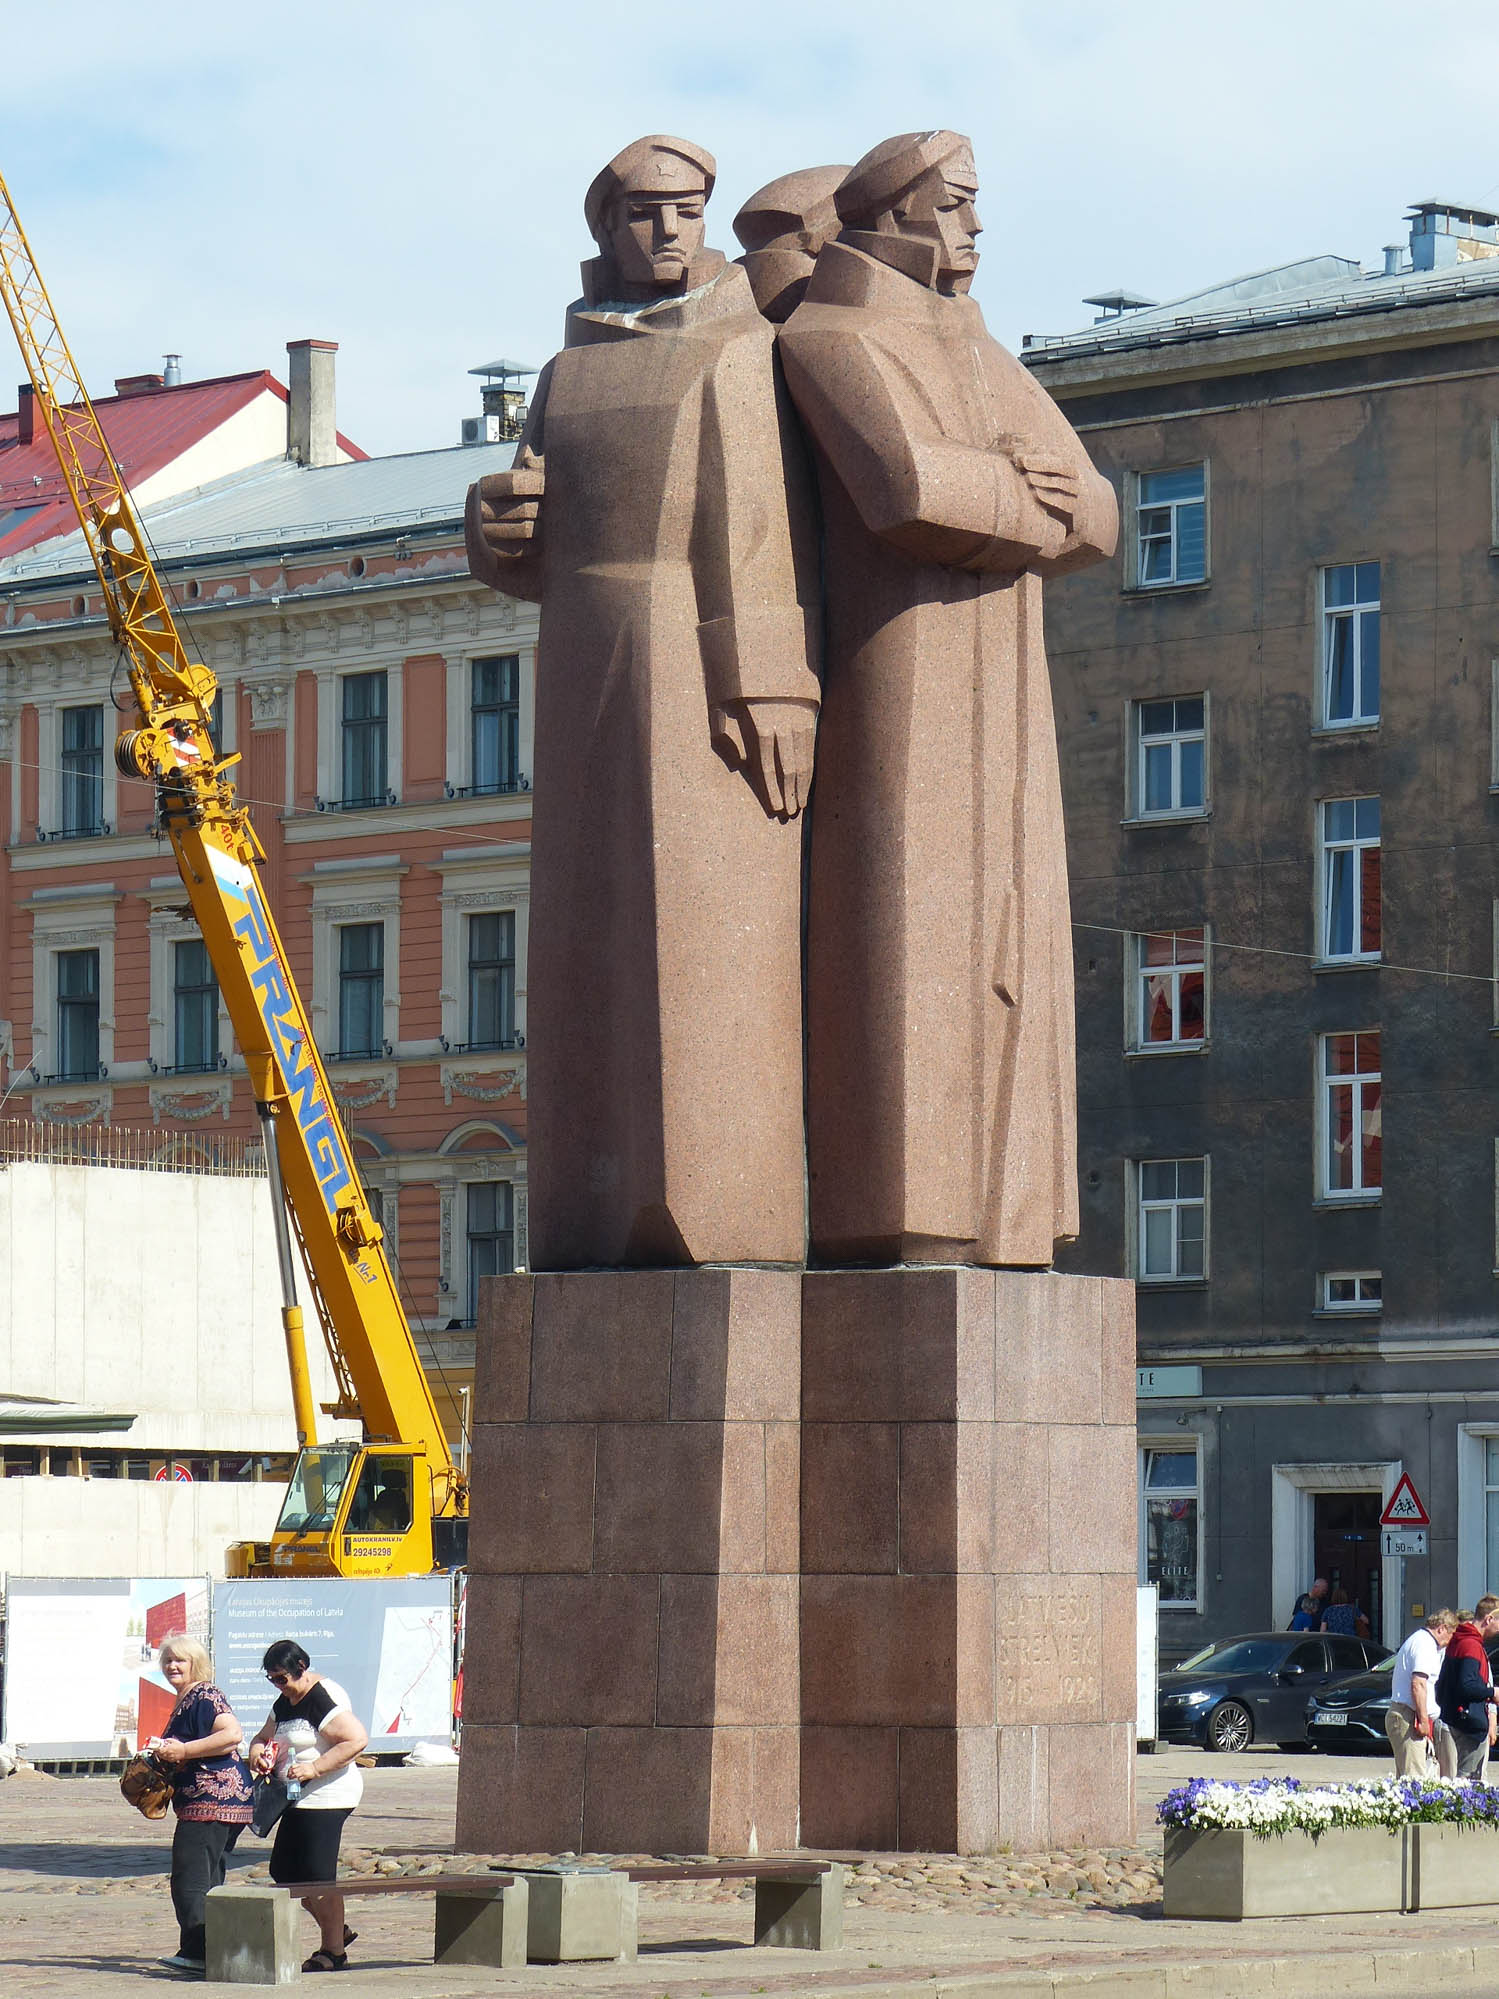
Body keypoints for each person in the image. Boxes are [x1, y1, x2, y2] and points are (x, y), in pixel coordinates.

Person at [466, 134, 821, 1271]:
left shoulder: (739, 346)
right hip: (578, 650)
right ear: (603, 229)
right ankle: (590, 1206)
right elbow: (528, 528)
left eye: (685, 210)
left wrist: (765, 678)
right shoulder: (567, 371)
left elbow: (755, 528)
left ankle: (705, 1204)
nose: (667, 231)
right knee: (587, 920)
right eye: (641, 213)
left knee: (695, 924)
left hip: (687, 653)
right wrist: (495, 534)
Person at [777, 131, 1118, 1266]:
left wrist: (1033, 508)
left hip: (1002, 682)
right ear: (899, 213)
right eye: (959, 205)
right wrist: (1033, 505)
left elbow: (1102, 515)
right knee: (913, 938)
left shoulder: (979, 350)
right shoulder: (831, 336)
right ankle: (909, 1212)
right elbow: (906, 489)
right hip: (903, 677)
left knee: (1006, 937)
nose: (976, 230)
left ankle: (1003, 1218)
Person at [248, 1641, 368, 1974]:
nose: (278, 1685)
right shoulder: (285, 1701)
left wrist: (316, 1768)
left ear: (302, 1665)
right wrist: (257, 1752)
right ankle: (337, 1930)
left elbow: (356, 1739)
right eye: (272, 1679)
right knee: (283, 1871)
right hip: (296, 1797)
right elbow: (261, 1736)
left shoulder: (321, 1696)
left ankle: (333, 1951)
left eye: (282, 1678)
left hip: (329, 1796)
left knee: (316, 1874)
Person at [147, 1634, 253, 1976]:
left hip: (211, 1799)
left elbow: (232, 1734)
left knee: (190, 1879)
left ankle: (196, 1952)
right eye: (168, 1660)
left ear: (197, 1664)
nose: (172, 1666)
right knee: (208, 1879)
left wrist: (183, 1751)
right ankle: (212, 1950)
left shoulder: (204, 1694)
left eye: (180, 1660)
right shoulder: (187, 1698)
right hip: (214, 1800)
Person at [1386, 1609, 1457, 1777]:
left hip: (1410, 1715)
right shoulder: (1424, 1644)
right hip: (1409, 1717)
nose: (1450, 1640)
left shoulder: (1422, 1641)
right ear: (1441, 1628)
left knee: (1410, 1777)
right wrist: (1424, 1720)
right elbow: (1418, 1684)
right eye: (1451, 1634)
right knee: (1414, 1779)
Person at [1434, 1596, 1499, 1779]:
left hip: (1455, 1717)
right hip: (1468, 1723)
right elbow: (1467, 1686)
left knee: (1460, 1780)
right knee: (1468, 1783)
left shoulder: (1459, 1640)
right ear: (1489, 1619)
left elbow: (1444, 1684)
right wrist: (1492, 1692)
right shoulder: (1471, 1645)